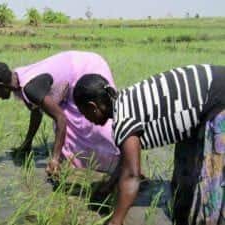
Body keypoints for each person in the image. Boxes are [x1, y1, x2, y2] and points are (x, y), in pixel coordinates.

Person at [73, 64, 225, 225]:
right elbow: (126, 162)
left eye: (84, 114)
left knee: (211, 187)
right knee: (185, 178)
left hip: (217, 98)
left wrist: (115, 221)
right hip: (204, 100)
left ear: (93, 107)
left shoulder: (124, 120)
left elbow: (132, 175)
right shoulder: (123, 101)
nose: (87, 119)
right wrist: (108, 187)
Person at [0, 50, 120, 175]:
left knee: (95, 122)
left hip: (86, 67)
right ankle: (92, 161)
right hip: (74, 68)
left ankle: (121, 160)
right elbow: (36, 112)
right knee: (72, 129)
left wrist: (54, 158)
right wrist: (27, 143)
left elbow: (60, 118)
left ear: (0, 86)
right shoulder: (18, 78)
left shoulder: (30, 87)